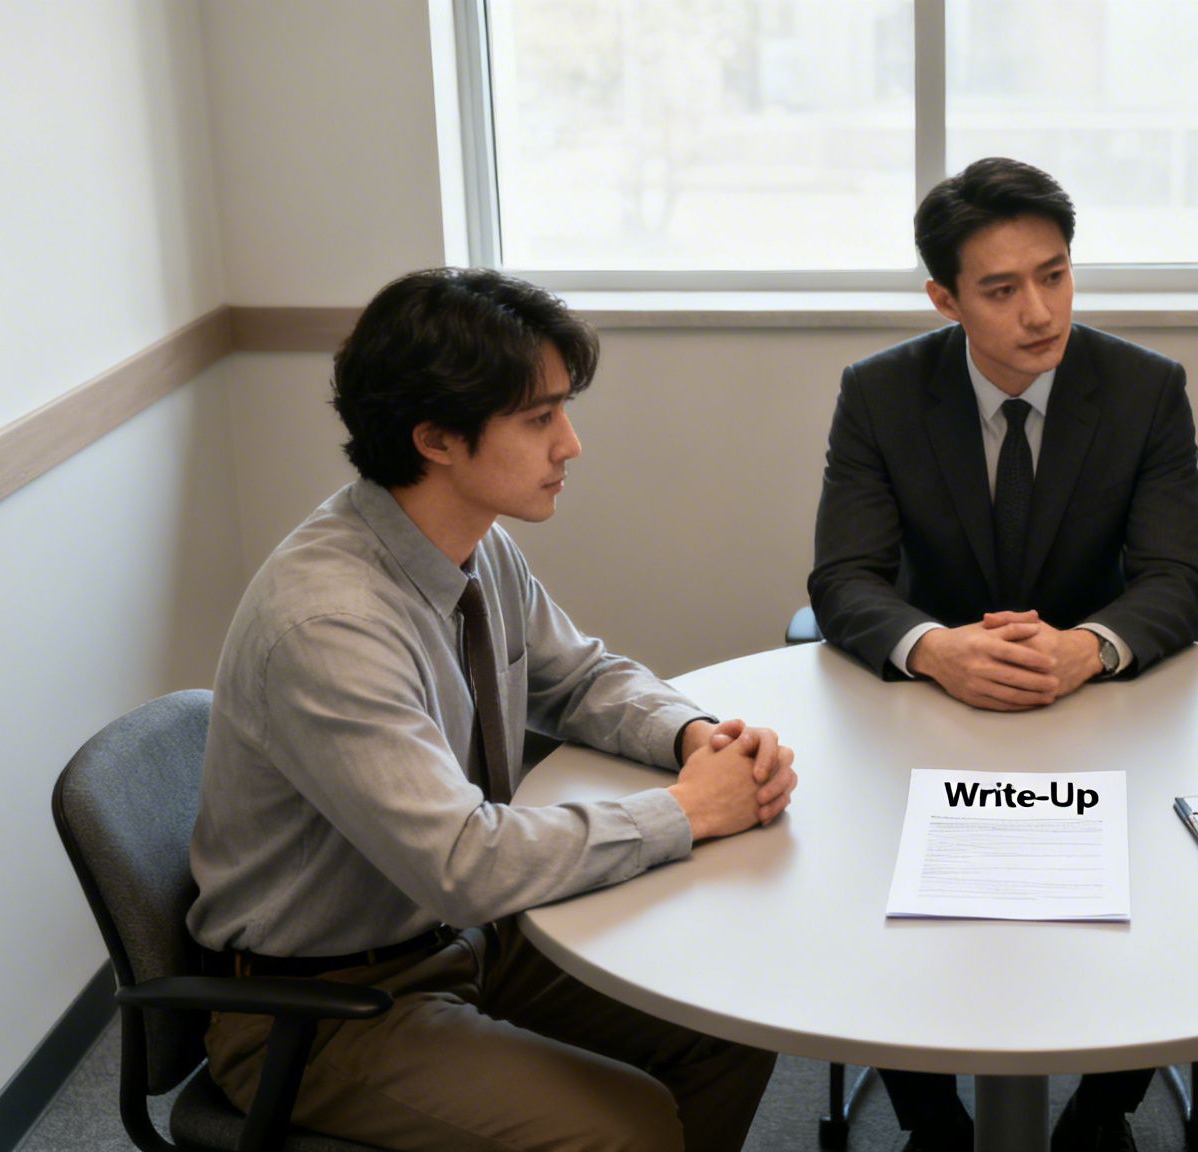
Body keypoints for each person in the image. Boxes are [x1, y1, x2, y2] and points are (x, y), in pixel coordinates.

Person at [188, 268, 799, 1152]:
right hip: (326, 1008)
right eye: (539, 417)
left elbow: (579, 677)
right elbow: (464, 862)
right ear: (436, 439)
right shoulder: (329, 624)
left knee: (733, 1020)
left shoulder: (477, 543)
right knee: (627, 1129)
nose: (572, 444)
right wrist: (686, 810)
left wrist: (694, 736)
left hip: (463, 941)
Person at [809, 158, 1198, 1149]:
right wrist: (931, 647)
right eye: (1000, 290)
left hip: (1097, 708)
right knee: (884, 896)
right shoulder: (880, 394)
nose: (1038, 312)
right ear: (944, 299)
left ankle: (1100, 1112)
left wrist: (1088, 647)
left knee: (1153, 890)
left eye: (1055, 274)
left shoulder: (1143, 389)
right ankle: (932, 1120)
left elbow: (1177, 577)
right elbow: (843, 578)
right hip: (929, 713)